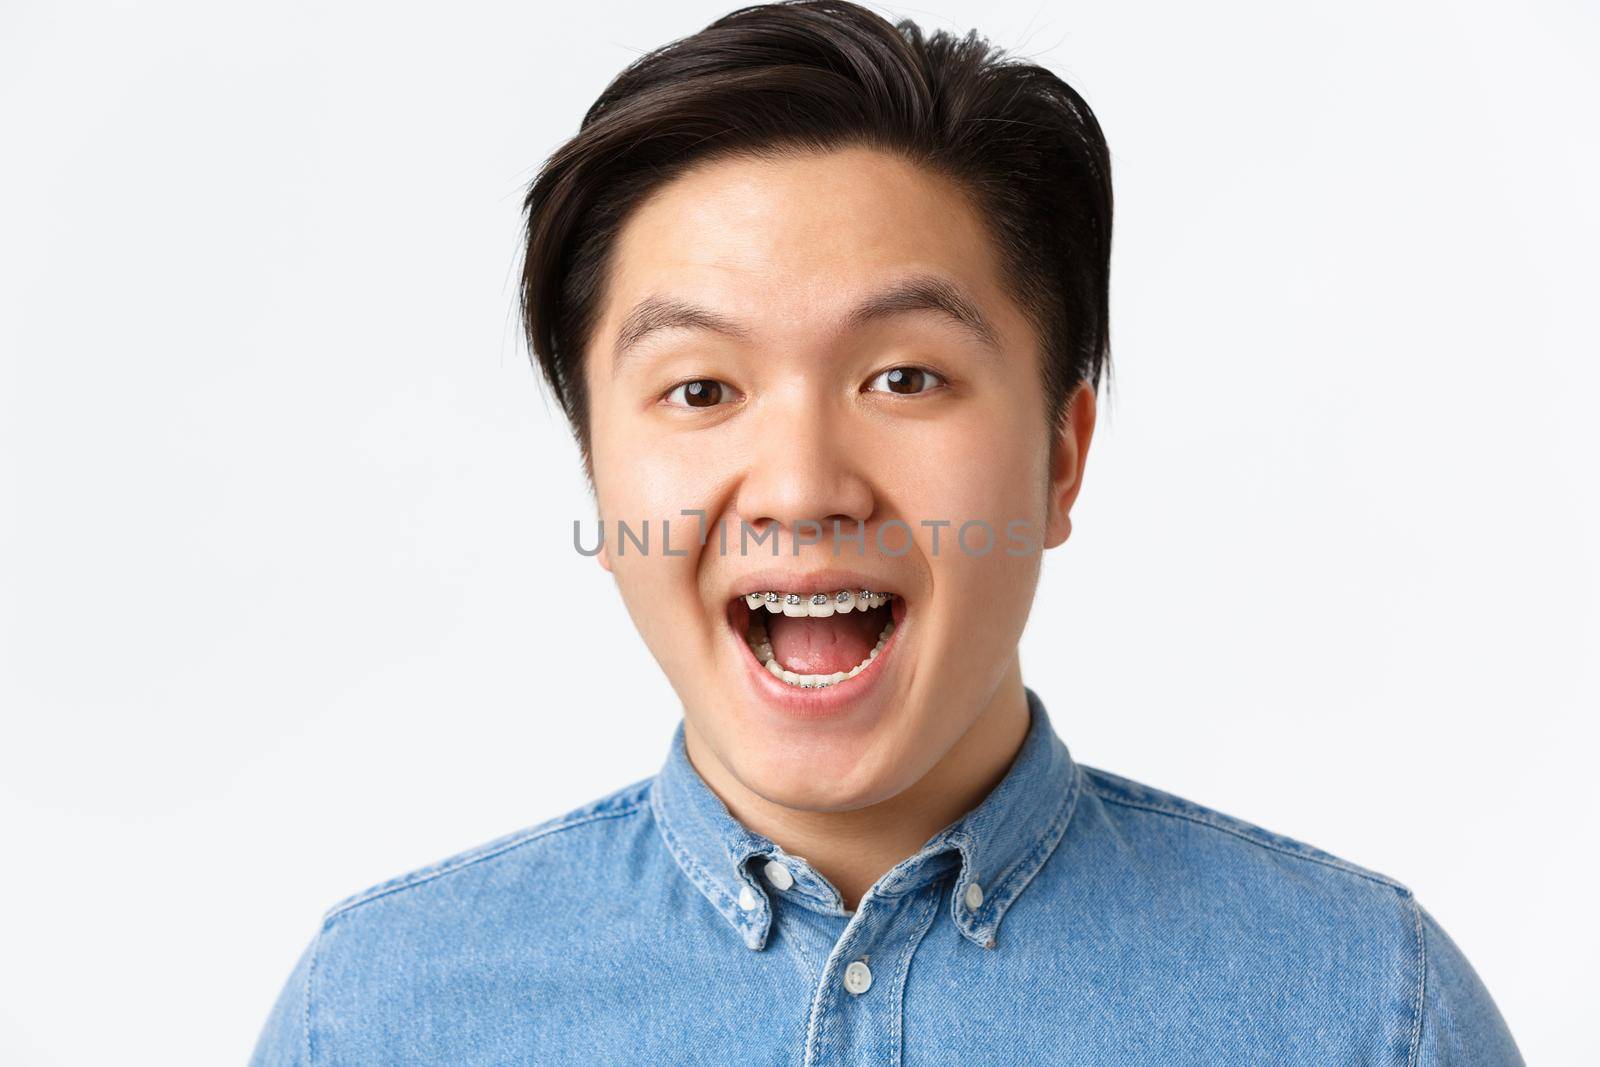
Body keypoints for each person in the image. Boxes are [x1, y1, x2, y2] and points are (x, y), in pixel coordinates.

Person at [250, 2, 1523, 1062]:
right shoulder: (378, 1014)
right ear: (598, 466)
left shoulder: (1365, 1010)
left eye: (903, 377)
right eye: (701, 389)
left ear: (1060, 452)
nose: (802, 486)